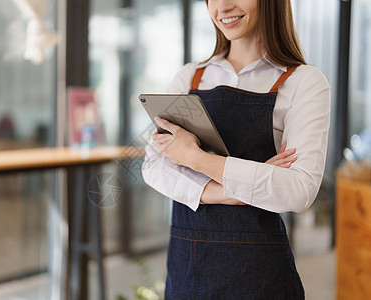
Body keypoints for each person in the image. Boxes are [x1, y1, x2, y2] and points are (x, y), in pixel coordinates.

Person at [141, 0, 330, 299]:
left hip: (260, 278)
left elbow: (298, 190)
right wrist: (232, 192)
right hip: (187, 273)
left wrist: (195, 159)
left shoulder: (303, 82)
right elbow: (153, 166)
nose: (224, 6)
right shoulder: (190, 77)